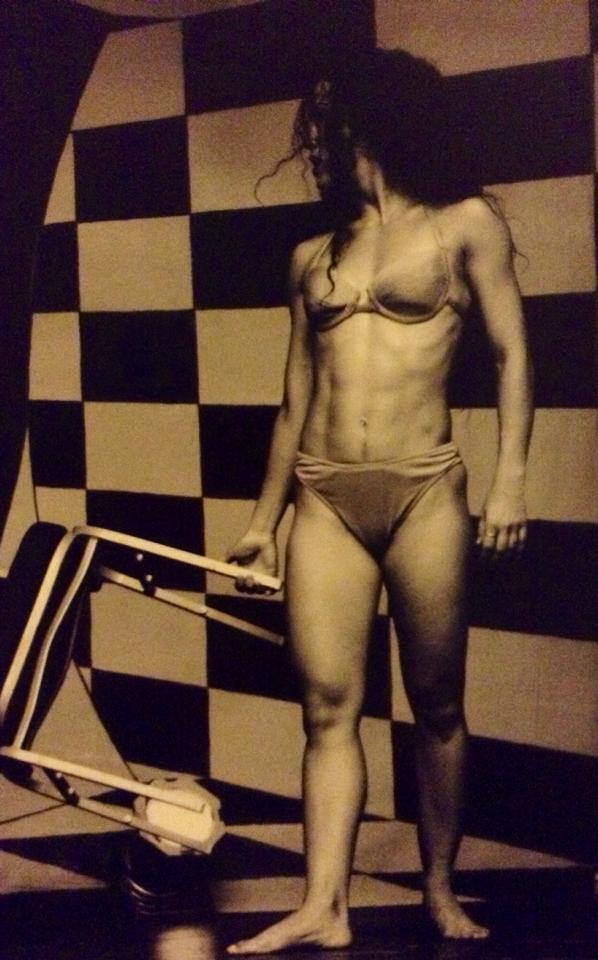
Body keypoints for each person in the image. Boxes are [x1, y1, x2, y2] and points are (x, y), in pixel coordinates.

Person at [225, 48, 533, 954]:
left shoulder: (462, 225)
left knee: (436, 703)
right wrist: (262, 523)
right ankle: (324, 905)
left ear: (378, 116)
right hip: (323, 495)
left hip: (425, 486)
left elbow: (512, 353)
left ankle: (439, 889)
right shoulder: (311, 257)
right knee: (328, 707)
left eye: (329, 117)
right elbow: (294, 402)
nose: (316, 136)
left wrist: (511, 479)